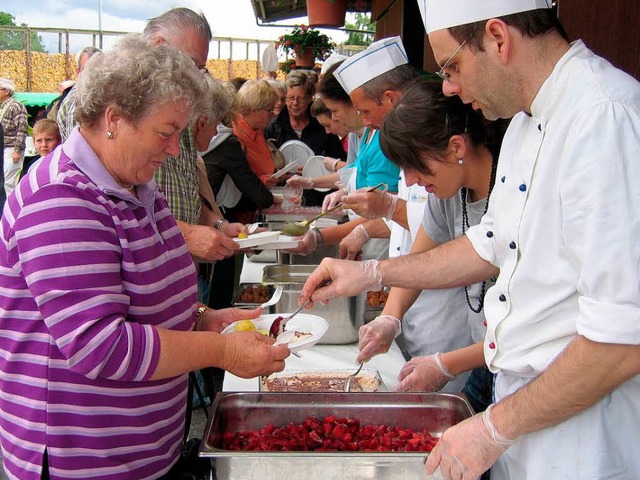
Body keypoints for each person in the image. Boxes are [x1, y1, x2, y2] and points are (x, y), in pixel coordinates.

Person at [302, 1, 640, 479]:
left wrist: (493, 428)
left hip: (587, 441)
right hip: (524, 417)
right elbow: (488, 244)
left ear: (499, 39)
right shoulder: (525, 123)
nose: (448, 87)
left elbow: (623, 340)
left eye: (451, 66)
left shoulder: (604, 115)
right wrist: (372, 272)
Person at [0, 34, 289, 480]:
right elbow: (101, 345)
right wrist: (221, 349)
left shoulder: (136, 185)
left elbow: (148, 292)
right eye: (166, 133)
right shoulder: (61, 199)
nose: (175, 149)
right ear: (114, 119)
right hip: (84, 455)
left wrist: (200, 316)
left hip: (142, 448)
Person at [144, 7, 241, 264]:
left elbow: (185, 196)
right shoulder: (114, 101)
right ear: (157, 45)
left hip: (180, 269)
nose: (196, 78)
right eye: (191, 64)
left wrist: (218, 225)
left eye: (200, 69)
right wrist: (186, 235)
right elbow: (113, 207)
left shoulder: (181, 107)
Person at [265, 69, 345, 206]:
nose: (294, 103)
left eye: (300, 99)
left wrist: (317, 169)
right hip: (284, 195)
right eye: (290, 98)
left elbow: (340, 160)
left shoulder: (322, 125)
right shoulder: (274, 127)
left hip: (319, 196)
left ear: (310, 98)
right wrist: (277, 172)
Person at [56, 46, 102, 141]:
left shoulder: (104, 97)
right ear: (78, 72)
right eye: (86, 69)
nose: (92, 75)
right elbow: (76, 149)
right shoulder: (75, 102)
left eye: (97, 70)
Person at [0, 77, 28, 198]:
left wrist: (17, 150)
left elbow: (22, 129)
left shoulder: (16, 106)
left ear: (7, 91)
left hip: (11, 148)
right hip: (3, 149)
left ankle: (12, 210)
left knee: (9, 183)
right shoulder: (2, 107)